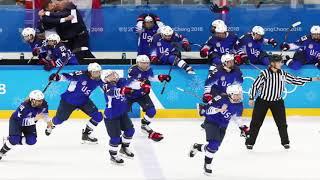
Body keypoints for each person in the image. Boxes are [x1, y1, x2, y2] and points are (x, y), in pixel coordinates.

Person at [246, 54, 320, 150]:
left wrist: (312, 79)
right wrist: (251, 98)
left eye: (281, 62)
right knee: (256, 123)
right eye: (279, 62)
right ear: (272, 63)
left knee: (282, 124)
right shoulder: (264, 74)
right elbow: (255, 86)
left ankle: (285, 142)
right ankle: (250, 142)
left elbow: (295, 80)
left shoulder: (283, 74)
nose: (281, 64)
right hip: (262, 101)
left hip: (277, 102)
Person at [189, 84, 245, 175]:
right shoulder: (221, 98)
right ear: (230, 94)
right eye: (236, 94)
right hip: (212, 122)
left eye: (239, 94)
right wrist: (218, 110)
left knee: (213, 148)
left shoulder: (239, 105)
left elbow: (237, 117)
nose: (239, 96)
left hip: (223, 126)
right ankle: (207, 165)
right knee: (213, 144)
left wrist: (243, 127)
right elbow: (207, 110)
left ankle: (197, 146)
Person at [46, 63, 104, 143]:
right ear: (89, 72)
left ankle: (86, 135)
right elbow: (67, 76)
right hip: (68, 101)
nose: (98, 74)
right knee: (58, 120)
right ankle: (51, 124)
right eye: (95, 72)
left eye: (99, 72)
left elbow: (106, 88)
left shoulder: (100, 79)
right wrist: (57, 77)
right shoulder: (81, 75)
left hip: (84, 101)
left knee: (98, 116)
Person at [201, 54, 248, 136]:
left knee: (230, 108)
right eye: (229, 62)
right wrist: (207, 93)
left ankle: (241, 127)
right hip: (216, 91)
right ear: (224, 63)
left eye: (232, 61)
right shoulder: (217, 71)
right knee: (216, 107)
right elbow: (208, 83)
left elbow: (239, 82)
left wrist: (232, 91)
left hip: (228, 92)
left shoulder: (237, 70)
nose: (232, 63)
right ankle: (207, 122)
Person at [127, 55, 171, 142]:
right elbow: (130, 83)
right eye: (143, 63)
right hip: (130, 94)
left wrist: (161, 77)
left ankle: (144, 125)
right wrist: (143, 85)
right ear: (138, 63)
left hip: (141, 94)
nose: (145, 65)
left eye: (147, 63)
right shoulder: (133, 70)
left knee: (151, 111)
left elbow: (150, 77)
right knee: (121, 113)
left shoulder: (149, 69)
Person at [0, 90, 53, 160]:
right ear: (32, 100)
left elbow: (44, 114)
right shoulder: (24, 107)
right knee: (14, 139)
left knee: (32, 141)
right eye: (38, 100)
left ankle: (9, 140)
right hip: (17, 122)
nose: (40, 102)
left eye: (41, 100)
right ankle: (2, 152)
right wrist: (34, 119)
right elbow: (21, 122)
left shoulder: (44, 104)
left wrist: (48, 122)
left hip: (30, 122)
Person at [100, 70, 135, 164]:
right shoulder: (106, 85)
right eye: (110, 75)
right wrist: (122, 90)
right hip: (111, 116)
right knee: (115, 138)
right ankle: (113, 155)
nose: (114, 76)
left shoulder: (121, 81)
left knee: (130, 131)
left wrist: (142, 84)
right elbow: (111, 92)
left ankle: (124, 148)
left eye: (113, 74)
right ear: (105, 78)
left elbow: (132, 83)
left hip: (122, 113)